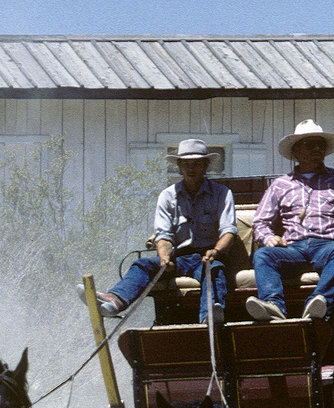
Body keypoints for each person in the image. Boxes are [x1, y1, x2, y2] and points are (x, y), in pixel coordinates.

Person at [83, 138, 236, 322]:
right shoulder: (167, 196)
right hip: (178, 258)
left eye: (196, 164)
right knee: (143, 264)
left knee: (215, 270)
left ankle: (210, 316)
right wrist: (164, 257)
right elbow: (163, 235)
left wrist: (216, 251)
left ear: (205, 166)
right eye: (186, 164)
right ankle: (115, 300)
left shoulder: (222, 193)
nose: (191, 168)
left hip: (207, 259)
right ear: (179, 166)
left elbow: (229, 231)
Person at [245, 120, 334, 322]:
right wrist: (269, 238)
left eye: (320, 145)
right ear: (295, 151)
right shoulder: (280, 185)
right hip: (292, 248)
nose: (317, 149)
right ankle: (273, 306)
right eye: (310, 144)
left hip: (327, 245)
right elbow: (260, 222)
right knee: (263, 255)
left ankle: (318, 302)